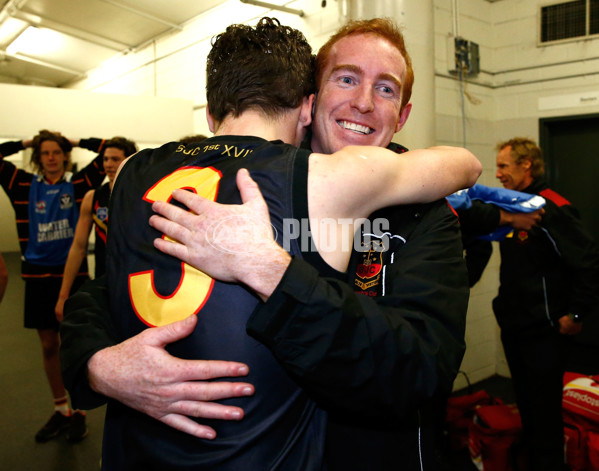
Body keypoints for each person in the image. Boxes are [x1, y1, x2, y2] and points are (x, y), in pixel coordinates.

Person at [61, 17, 480, 470]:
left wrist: (274, 274)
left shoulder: (424, 216)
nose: (362, 102)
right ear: (310, 101)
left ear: (402, 114)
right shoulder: (282, 180)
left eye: (385, 89)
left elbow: (421, 369)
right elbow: (103, 294)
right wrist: (96, 366)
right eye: (347, 79)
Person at [468, 137, 599, 471]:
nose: (497, 174)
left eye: (503, 166)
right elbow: (481, 244)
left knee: (545, 413)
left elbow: (589, 259)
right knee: (526, 405)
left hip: (546, 329)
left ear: (526, 165)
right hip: (514, 326)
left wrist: (577, 313)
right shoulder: (512, 206)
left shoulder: (551, 206)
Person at [0, 131, 107, 443]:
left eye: (56, 152)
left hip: (72, 276)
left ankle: (80, 411)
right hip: (36, 276)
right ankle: (61, 410)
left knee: (75, 345)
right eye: (44, 152)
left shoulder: (77, 184)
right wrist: (25, 142)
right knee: (49, 345)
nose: (50, 157)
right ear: (37, 156)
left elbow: (108, 152)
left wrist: (75, 141)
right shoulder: (22, 185)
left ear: (64, 156)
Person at [55, 137, 137, 321]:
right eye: (106, 159)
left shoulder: (142, 196)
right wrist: (63, 294)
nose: (108, 164)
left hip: (135, 283)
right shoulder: (93, 197)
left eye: (115, 159)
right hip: (103, 281)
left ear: (128, 161)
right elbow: (78, 247)